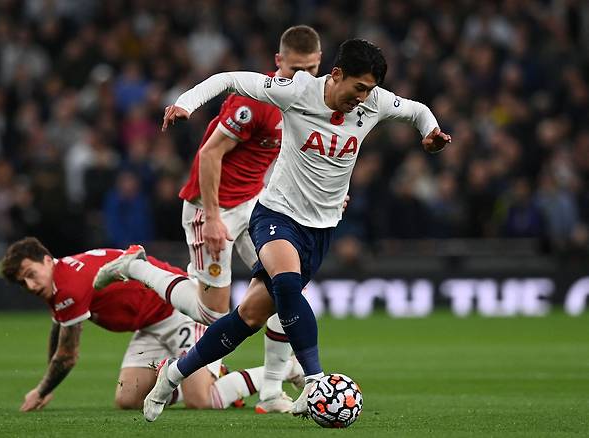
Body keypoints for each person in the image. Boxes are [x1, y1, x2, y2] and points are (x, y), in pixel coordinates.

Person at [106, 38, 451, 423]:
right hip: (275, 214)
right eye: (358, 88)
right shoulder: (297, 91)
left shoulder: (375, 102)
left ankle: (173, 375)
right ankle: (314, 381)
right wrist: (186, 103)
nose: (363, 98)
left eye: (370, 90)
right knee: (287, 284)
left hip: (320, 230)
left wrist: (431, 133)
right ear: (335, 75)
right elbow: (230, 79)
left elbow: (418, 110)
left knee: (247, 318)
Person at [94, 25, 322, 413]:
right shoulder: (255, 100)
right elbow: (210, 154)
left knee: (286, 288)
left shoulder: (309, 100)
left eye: (311, 69)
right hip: (209, 206)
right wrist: (214, 218)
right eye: (294, 69)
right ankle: (135, 266)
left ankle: (270, 392)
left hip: (254, 204)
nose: (302, 78)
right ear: (277, 62)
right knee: (212, 312)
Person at [0, 237, 303, 412]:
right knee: (128, 398)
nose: (29, 284)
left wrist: (41, 391)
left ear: (47, 259)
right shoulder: (59, 281)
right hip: (150, 324)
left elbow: (67, 355)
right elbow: (59, 327)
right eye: (21, 282)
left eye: (30, 273)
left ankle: (286, 369)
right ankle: (207, 376)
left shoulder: (68, 286)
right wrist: (46, 379)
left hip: (177, 310)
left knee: (202, 400)